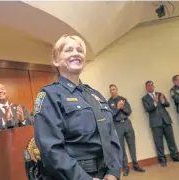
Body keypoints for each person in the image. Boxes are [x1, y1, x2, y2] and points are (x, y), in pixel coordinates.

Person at [33, 34, 122, 180]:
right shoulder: (49, 95)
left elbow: (112, 135)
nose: (76, 53)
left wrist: (113, 171)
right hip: (73, 176)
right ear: (56, 60)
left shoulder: (96, 95)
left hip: (104, 173)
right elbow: (50, 149)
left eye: (80, 50)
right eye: (68, 50)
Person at [142, 81, 179, 166]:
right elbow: (147, 109)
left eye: (152, 85)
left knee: (171, 140)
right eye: (149, 86)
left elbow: (167, 104)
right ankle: (162, 160)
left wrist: (162, 100)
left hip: (166, 120)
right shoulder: (144, 98)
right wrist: (155, 102)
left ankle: (176, 157)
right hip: (155, 124)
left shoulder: (160, 94)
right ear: (146, 87)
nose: (151, 87)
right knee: (159, 143)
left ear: (154, 86)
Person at [108, 84, 145, 176]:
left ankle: (136, 165)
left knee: (132, 144)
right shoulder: (109, 102)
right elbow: (110, 115)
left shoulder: (123, 99)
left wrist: (123, 107)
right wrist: (118, 108)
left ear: (117, 89)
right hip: (117, 125)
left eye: (114, 89)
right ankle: (125, 167)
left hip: (127, 124)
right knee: (121, 147)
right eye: (111, 90)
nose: (113, 91)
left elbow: (129, 111)